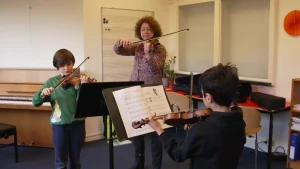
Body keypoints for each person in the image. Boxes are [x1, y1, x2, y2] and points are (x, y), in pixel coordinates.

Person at [148, 63, 247, 169]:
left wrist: (158, 129)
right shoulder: (240, 122)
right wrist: (194, 135)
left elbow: (178, 154)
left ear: (208, 97)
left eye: (202, 92)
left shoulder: (202, 129)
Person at [113, 16, 167, 169]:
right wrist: (120, 42)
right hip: (135, 92)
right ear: (139, 31)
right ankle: (139, 163)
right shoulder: (137, 47)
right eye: (143, 29)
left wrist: (149, 54)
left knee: (155, 132)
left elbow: (157, 69)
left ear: (154, 31)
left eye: (149, 29)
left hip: (152, 93)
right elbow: (119, 51)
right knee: (137, 130)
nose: (146, 32)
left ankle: (157, 165)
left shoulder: (159, 48)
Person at [32, 49, 88, 169]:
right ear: (57, 66)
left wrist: (81, 88)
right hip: (59, 127)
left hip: (77, 125)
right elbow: (35, 102)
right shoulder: (51, 82)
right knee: (60, 162)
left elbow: (83, 105)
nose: (66, 68)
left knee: (76, 161)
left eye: (69, 64)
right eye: (62, 65)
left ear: (73, 63)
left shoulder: (79, 81)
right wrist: (43, 93)